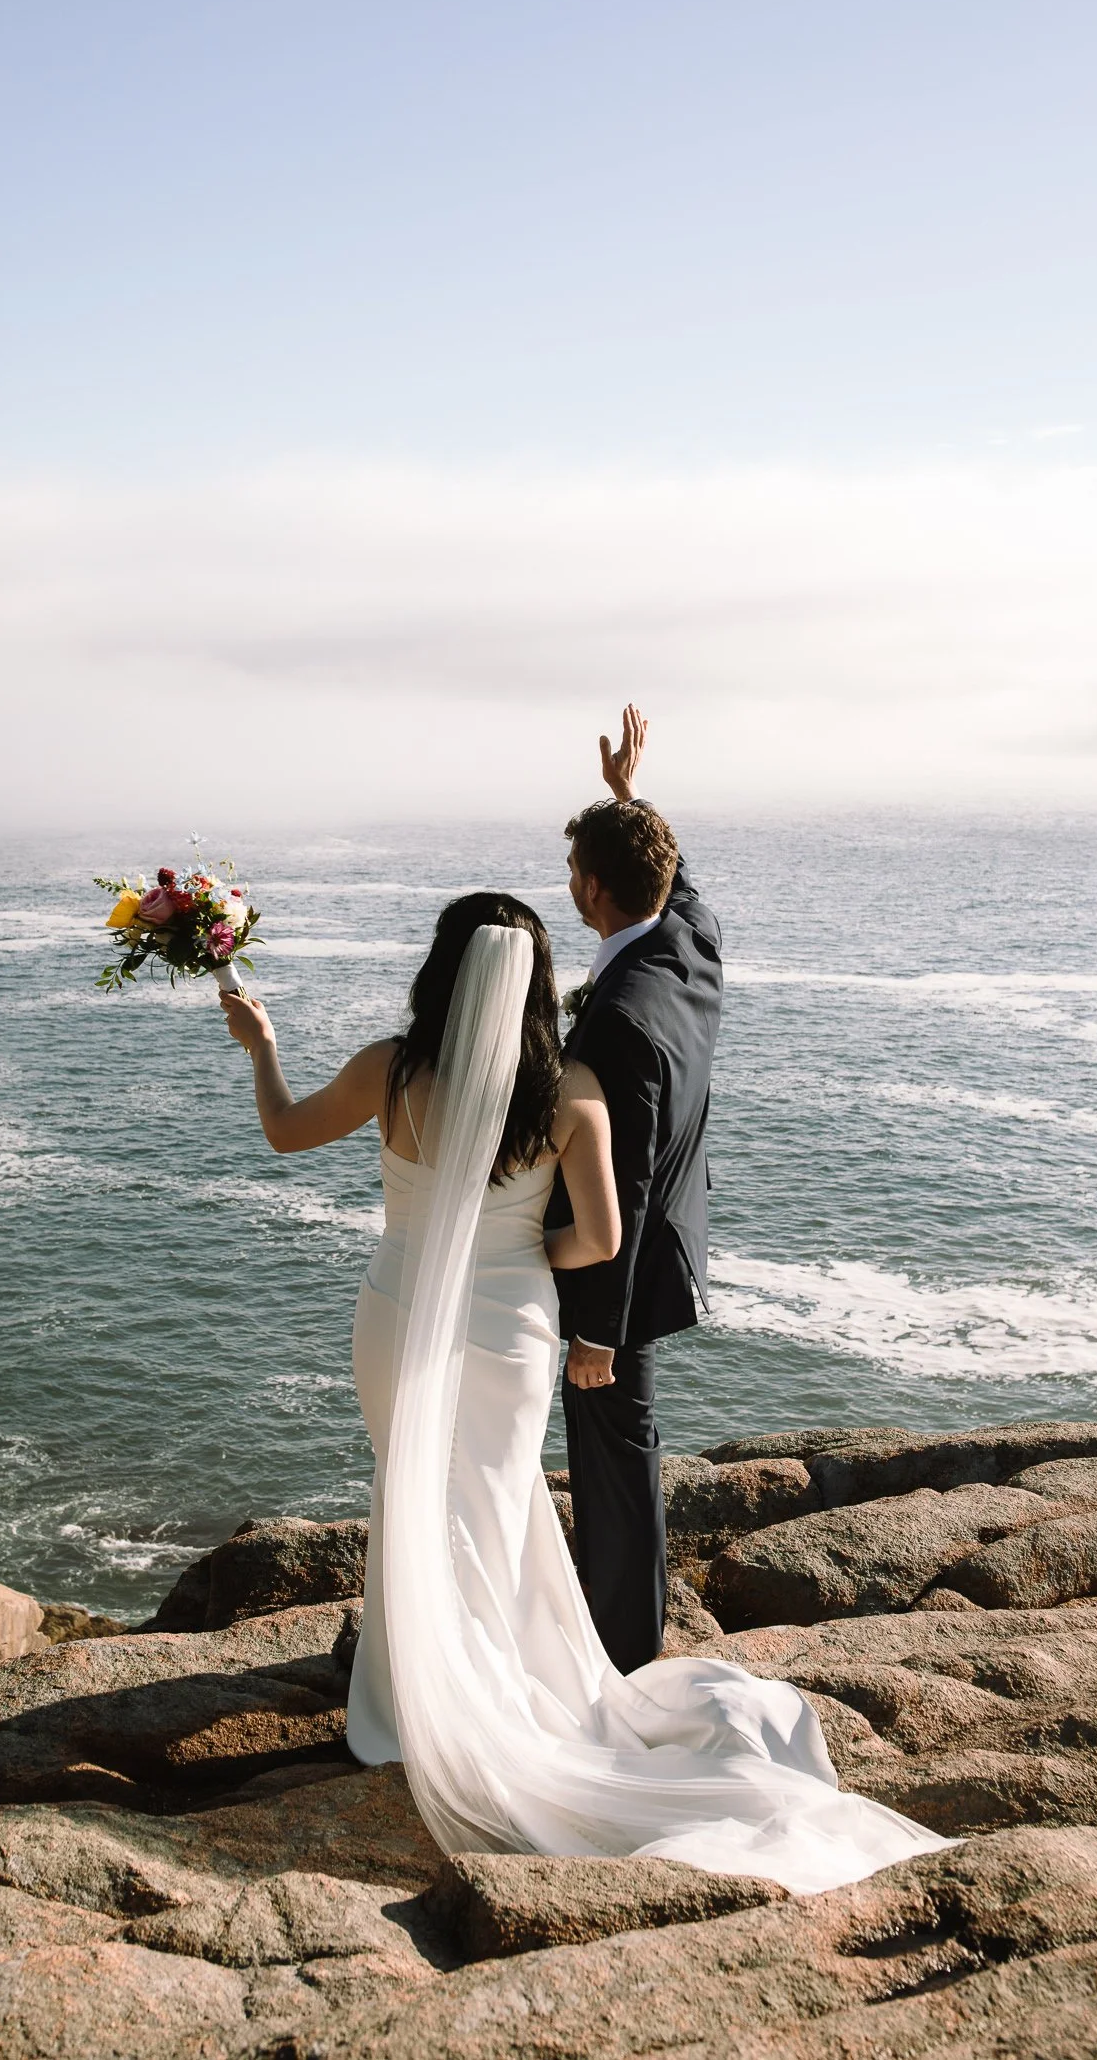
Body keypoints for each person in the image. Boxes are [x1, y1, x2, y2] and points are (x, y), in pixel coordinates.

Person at [219, 851, 947, 1890]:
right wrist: (515, 1259)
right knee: (498, 1501)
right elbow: (602, 1238)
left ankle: (406, 1695)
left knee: (412, 1488)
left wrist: (264, 1047)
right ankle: (501, 1679)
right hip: (516, 1324)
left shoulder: (392, 1067)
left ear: (441, 975)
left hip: (397, 1311)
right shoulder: (575, 1095)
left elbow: (285, 1133)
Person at [549, 705, 720, 1672]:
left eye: (577, 870)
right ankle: (622, 1624)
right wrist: (630, 796)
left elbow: (628, 1175)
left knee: (615, 1461)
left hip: (627, 1273)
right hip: (671, 1245)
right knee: (626, 1459)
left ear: (591, 890)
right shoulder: (692, 940)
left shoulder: (616, 1016)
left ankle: (625, 1657)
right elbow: (679, 880)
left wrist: (597, 1334)